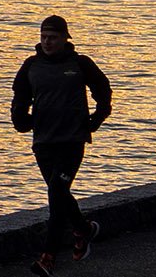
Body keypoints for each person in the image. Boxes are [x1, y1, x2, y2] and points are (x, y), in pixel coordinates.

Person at [11, 14, 112, 273]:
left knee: (56, 194)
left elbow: (103, 90)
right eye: (43, 37)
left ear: (65, 38)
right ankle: (84, 229)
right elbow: (20, 97)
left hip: (72, 140)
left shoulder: (80, 64)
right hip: (43, 142)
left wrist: (96, 118)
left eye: (53, 38)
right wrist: (21, 121)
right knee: (60, 194)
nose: (47, 42)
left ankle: (48, 257)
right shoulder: (31, 66)